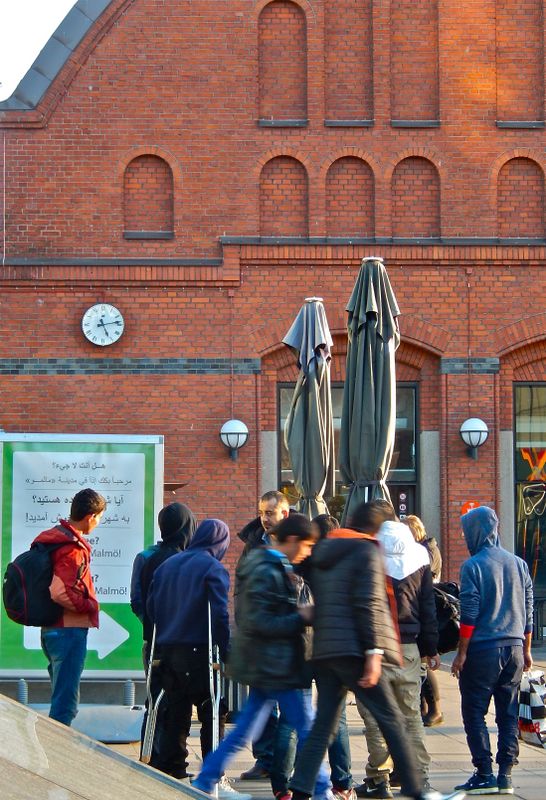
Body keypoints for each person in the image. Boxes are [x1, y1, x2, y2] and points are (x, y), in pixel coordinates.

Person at [287, 500, 464, 800]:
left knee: (324, 726)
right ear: (377, 528)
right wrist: (373, 654)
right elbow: (370, 604)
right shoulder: (367, 550)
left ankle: (301, 791)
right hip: (357, 651)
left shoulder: (326, 549)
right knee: (392, 719)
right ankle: (417, 789)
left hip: (325, 651)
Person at [193, 513, 331, 800]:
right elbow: (259, 621)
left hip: (269, 664)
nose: (308, 552)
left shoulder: (270, 565)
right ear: (292, 540)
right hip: (277, 665)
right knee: (307, 730)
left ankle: (206, 779)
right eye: (306, 545)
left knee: (246, 729)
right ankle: (321, 788)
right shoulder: (267, 569)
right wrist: (301, 616)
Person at [357, 512, 440, 798]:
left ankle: (380, 779)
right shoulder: (419, 558)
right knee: (411, 715)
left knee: (374, 718)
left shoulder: (368, 555)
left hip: (375, 648)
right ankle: (419, 776)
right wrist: (431, 648)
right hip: (408, 648)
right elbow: (428, 608)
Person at [452, 505, 533, 795]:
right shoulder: (519, 564)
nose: (464, 537)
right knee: (508, 712)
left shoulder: (473, 566)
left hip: (483, 650)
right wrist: (527, 648)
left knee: (474, 712)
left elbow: (469, 614)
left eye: (466, 532)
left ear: (477, 531)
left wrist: (461, 653)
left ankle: (484, 772)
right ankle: (505, 774)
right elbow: (528, 610)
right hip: (514, 648)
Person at [146, 519, 231, 785]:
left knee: (177, 711)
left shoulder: (167, 566)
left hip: (169, 650)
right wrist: (226, 650)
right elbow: (219, 614)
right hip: (200, 651)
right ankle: (212, 777)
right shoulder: (213, 567)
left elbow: (151, 608)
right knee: (212, 711)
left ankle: (175, 770)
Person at [130, 501, 197, 763]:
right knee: (178, 703)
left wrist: (151, 623)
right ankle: (171, 760)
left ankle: (150, 755)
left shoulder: (145, 557)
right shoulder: (188, 560)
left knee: (155, 701)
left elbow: (136, 600)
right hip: (181, 645)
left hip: (153, 641)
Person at [34, 487, 106, 726]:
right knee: (65, 707)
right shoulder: (72, 548)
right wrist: (89, 606)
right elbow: (60, 591)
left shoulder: (54, 538)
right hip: (68, 631)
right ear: (90, 517)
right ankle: (55, 749)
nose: (98, 522)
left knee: (61, 697)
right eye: (100, 517)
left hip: (51, 629)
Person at [237, 489, 290, 781]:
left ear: (285, 512)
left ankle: (286, 762)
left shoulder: (298, 541)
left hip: (290, 636)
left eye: (269, 513)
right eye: (260, 513)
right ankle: (266, 759)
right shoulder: (253, 544)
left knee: (291, 706)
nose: (264, 519)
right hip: (259, 635)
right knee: (261, 703)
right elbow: (241, 586)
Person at [403, 515, 444, 728]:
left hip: (423, 612)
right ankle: (424, 708)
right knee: (420, 663)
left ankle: (434, 708)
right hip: (420, 612)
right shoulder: (426, 549)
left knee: (424, 663)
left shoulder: (424, 552)